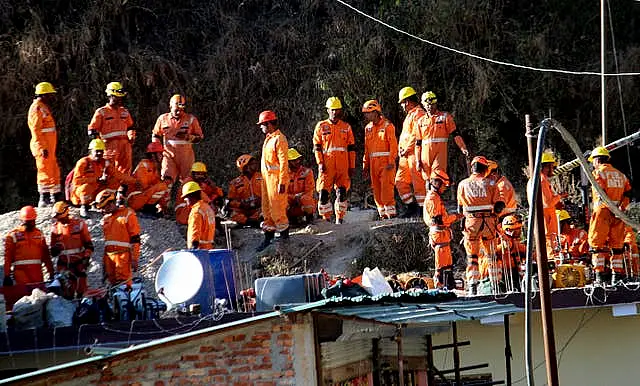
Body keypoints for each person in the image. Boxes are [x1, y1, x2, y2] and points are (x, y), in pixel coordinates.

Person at [457, 156, 504, 294]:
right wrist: (494, 216)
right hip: (489, 223)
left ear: (472, 168)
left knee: (472, 257)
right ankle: (495, 286)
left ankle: (472, 287)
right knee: (492, 256)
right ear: (485, 169)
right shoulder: (491, 184)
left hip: (471, 224)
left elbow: (460, 209)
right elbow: (499, 206)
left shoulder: (463, 184)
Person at [587, 146, 632, 284]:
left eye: (593, 161)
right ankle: (616, 277)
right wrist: (620, 208)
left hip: (603, 211)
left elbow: (600, 192)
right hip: (618, 213)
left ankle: (599, 275)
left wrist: (608, 207)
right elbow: (628, 193)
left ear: (597, 160)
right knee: (617, 245)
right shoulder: (620, 174)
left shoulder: (597, 173)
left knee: (596, 244)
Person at [313, 97, 355, 224]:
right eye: (332, 110)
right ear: (328, 110)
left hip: (343, 166)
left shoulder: (346, 127)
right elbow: (317, 147)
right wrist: (320, 163)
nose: (335, 113)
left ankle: (339, 218)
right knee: (323, 194)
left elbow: (351, 148)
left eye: (337, 110)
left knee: (342, 193)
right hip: (327, 166)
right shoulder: (321, 126)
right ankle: (325, 219)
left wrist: (352, 166)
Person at [70, 139, 137, 217]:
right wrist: (96, 180)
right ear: (91, 151)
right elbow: (76, 181)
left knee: (114, 181)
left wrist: (134, 181)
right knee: (86, 187)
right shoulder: (84, 162)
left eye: (101, 151)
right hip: (80, 195)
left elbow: (117, 174)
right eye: (97, 151)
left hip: (96, 190)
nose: (99, 153)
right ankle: (84, 207)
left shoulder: (104, 162)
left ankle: (104, 204)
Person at [415, 91, 469, 180]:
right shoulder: (420, 121)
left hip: (439, 154)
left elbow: (456, 134)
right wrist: (417, 160)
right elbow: (417, 143)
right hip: (425, 156)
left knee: (437, 178)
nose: (430, 106)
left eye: (432, 104)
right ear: (423, 105)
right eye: (427, 104)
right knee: (427, 180)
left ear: (436, 104)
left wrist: (463, 148)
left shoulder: (445, 117)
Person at [423, 170, 462, 289]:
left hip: (442, 235)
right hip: (439, 235)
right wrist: (456, 217)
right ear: (437, 183)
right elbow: (439, 220)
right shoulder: (433, 198)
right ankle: (440, 286)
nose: (445, 188)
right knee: (441, 265)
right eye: (444, 185)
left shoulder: (435, 197)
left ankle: (448, 285)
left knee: (447, 264)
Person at [151, 94, 203, 184]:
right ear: (170, 106)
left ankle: (182, 198)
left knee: (188, 182)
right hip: (169, 156)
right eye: (177, 110)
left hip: (186, 157)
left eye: (181, 109)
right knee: (166, 181)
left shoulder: (191, 119)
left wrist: (189, 137)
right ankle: (164, 198)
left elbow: (199, 137)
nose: (179, 112)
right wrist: (157, 150)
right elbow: (155, 135)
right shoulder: (162, 119)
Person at [257, 110, 289, 251]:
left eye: (262, 124)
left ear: (269, 124)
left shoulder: (279, 139)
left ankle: (284, 238)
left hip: (276, 181)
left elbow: (283, 163)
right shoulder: (269, 138)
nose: (261, 127)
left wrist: (282, 182)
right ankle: (268, 237)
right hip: (267, 180)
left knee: (278, 210)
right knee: (267, 210)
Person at [88, 82, 135, 175]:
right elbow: (92, 131)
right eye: (117, 97)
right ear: (110, 96)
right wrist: (99, 146)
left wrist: (131, 136)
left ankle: (122, 189)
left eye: (121, 97)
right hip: (108, 146)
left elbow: (131, 127)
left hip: (125, 145)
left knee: (125, 171)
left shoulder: (124, 112)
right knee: (107, 170)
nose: (120, 99)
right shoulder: (101, 112)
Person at [95, 190, 140, 288]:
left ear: (111, 203)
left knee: (123, 286)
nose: (102, 210)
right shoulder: (106, 219)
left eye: (103, 207)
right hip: (109, 258)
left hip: (123, 257)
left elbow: (135, 238)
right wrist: (104, 265)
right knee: (112, 286)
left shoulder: (128, 214)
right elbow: (107, 243)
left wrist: (134, 258)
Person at [361, 100, 398, 220]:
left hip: (386, 164)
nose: (366, 115)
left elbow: (393, 145)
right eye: (365, 113)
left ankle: (391, 215)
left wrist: (391, 161)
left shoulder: (388, 126)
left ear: (376, 112)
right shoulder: (368, 128)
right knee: (376, 191)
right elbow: (367, 149)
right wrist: (365, 166)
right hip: (373, 164)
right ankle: (383, 215)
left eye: (369, 112)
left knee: (386, 190)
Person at [49, 201, 94, 298]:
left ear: (65, 212)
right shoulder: (55, 228)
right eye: (56, 216)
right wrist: (54, 250)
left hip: (79, 263)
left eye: (58, 215)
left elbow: (89, 245)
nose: (57, 218)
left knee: (81, 292)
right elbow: (52, 250)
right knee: (66, 293)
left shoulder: (79, 224)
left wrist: (86, 258)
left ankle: (82, 309)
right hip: (63, 265)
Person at [28, 82, 62, 207]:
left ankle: (56, 196)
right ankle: (44, 198)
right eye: (49, 95)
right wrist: (42, 147)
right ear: (43, 95)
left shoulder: (43, 107)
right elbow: (36, 130)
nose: (51, 97)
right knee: (44, 170)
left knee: (53, 170)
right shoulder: (36, 108)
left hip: (49, 146)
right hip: (43, 146)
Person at [3, 206, 54, 287]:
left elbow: (46, 255)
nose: (30, 224)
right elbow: (8, 257)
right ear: (22, 221)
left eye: (32, 221)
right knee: (25, 296)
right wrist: (7, 275)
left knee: (38, 296)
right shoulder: (13, 235)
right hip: (21, 274)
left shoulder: (39, 234)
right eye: (28, 222)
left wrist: (51, 272)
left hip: (37, 273)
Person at [395, 87, 426, 217]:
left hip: (414, 153)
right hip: (405, 155)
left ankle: (422, 209)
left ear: (407, 101)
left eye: (402, 103)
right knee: (400, 181)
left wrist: (406, 149)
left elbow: (417, 135)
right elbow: (405, 135)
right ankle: (411, 207)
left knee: (419, 183)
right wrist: (400, 149)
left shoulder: (419, 113)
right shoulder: (409, 116)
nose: (402, 106)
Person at [530, 152, 566, 256]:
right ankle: (550, 269)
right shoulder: (541, 180)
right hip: (547, 221)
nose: (553, 169)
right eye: (552, 166)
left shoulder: (534, 179)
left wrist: (556, 203)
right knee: (550, 246)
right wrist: (560, 196)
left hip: (543, 219)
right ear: (547, 166)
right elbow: (547, 203)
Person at [126, 142, 170, 216]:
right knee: (162, 186)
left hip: (141, 197)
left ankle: (150, 209)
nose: (161, 156)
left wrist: (164, 207)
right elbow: (143, 185)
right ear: (153, 155)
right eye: (160, 154)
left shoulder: (153, 166)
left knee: (163, 185)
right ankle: (147, 209)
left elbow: (155, 184)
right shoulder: (144, 165)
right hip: (135, 199)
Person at [228, 155, 263, 227]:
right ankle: (248, 221)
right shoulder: (235, 183)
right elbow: (231, 202)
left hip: (259, 208)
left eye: (255, 163)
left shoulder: (263, 177)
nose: (256, 165)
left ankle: (255, 221)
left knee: (268, 209)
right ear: (246, 167)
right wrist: (241, 205)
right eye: (253, 164)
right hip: (243, 209)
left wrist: (262, 201)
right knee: (231, 213)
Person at [496, 215, 526, 292]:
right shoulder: (499, 239)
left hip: (514, 272)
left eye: (519, 229)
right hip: (503, 274)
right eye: (517, 230)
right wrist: (505, 245)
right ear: (508, 230)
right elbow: (496, 250)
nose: (519, 232)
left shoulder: (513, 240)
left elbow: (524, 249)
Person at [182, 182, 216, 249]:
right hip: (209, 248)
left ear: (190, 196)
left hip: (199, 249)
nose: (184, 200)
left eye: (185, 198)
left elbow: (194, 230)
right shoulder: (207, 208)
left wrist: (193, 247)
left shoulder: (196, 211)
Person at [286, 148, 316, 225]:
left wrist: (299, 197)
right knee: (282, 201)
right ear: (288, 162)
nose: (297, 162)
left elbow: (309, 190)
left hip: (303, 198)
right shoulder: (284, 174)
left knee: (307, 199)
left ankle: (309, 219)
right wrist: (294, 197)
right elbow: (283, 192)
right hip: (291, 199)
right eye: (294, 160)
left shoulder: (307, 172)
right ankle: (291, 220)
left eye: (298, 159)